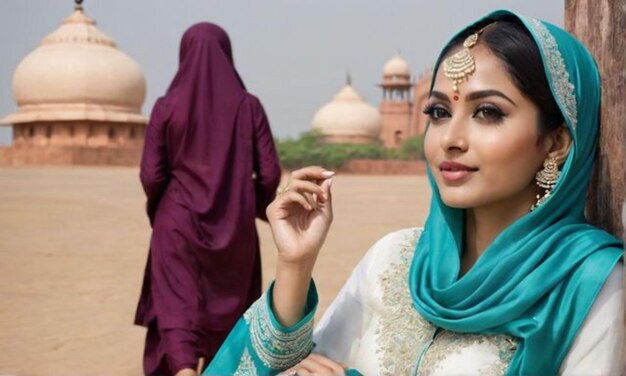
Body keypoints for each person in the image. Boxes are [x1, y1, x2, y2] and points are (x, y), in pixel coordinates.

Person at [205, 9, 624, 375]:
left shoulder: (593, 285)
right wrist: (295, 267)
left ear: (556, 141)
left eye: (488, 112)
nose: (450, 139)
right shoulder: (395, 260)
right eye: (439, 112)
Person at [134, 22, 282, 375]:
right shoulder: (249, 107)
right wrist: (254, 205)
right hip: (234, 226)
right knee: (228, 308)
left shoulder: (166, 106)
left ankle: (183, 369)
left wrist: (162, 208)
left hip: (177, 223)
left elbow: (151, 173)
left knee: (176, 302)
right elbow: (271, 172)